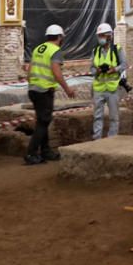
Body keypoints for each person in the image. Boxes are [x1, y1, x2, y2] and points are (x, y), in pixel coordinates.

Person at [24, 24, 76, 165]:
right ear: (60, 37)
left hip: (33, 89)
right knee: (43, 122)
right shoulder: (55, 50)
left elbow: (29, 70)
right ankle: (31, 153)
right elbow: (56, 72)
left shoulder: (38, 49)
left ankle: (46, 151)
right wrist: (67, 89)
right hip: (44, 90)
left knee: (42, 121)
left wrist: (32, 82)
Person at [90, 22, 125, 141]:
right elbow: (92, 69)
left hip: (112, 88)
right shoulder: (95, 51)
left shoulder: (117, 49)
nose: (100, 38)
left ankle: (112, 140)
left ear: (109, 36)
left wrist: (115, 69)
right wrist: (98, 71)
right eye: (99, 35)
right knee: (97, 116)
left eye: (102, 35)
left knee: (114, 117)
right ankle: (97, 139)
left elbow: (124, 64)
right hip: (99, 88)